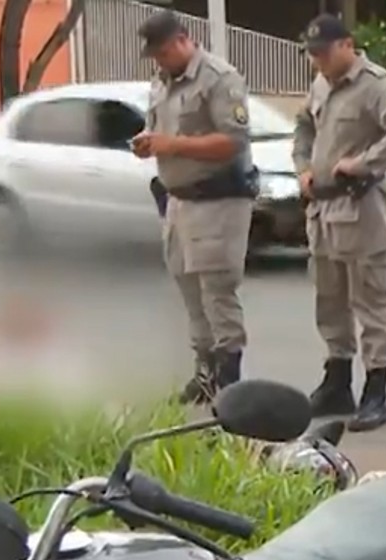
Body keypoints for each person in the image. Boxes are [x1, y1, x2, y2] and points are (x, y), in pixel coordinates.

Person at [293, 14, 386, 432]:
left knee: (370, 303)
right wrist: (304, 167)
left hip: (361, 208)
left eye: (324, 53)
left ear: (347, 45)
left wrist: (364, 163)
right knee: (329, 301)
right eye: (312, 54)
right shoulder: (320, 84)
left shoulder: (376, 85)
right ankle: (337, 382)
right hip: (324, 211)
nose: (318, 61)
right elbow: (303, 128)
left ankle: (376, 391)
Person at [133, 10, 257, 405]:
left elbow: (233, 141)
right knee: (189, 288)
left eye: (165, 52)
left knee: (217, 291)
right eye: (156, 56)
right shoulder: (162, 83)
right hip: (178, 199)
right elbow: (165, 133)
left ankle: (230, 384)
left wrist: (174, 145)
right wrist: (150, 143)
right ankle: (204, 373)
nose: (161, 61)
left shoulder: (219, 79)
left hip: (217, 200)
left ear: (184, 40)